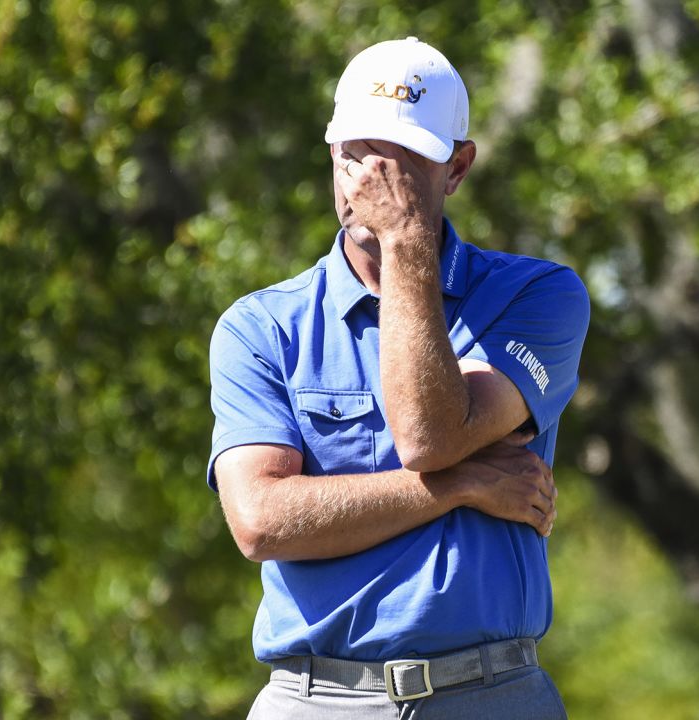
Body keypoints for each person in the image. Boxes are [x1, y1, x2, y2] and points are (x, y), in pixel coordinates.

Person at [206, 36, 589, 719]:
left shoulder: (537, 297)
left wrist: (406, 239)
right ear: (331, 152)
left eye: (404, 153)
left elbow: (429, 435)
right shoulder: (261, 326)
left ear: (458, 167)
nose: (373, 174)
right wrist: (464, 485)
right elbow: (261, 522)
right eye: (356, 147)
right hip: (315, 697)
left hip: (491, 694)